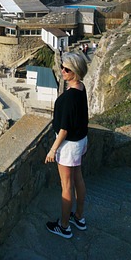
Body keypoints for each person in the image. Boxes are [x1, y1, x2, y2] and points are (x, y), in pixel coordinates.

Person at [44, 51, 89, 239]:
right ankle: (78, 217)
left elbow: (64, 129)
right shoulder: (81, 88)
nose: (62, 70)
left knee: (66, 185)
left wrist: (52, 150)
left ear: (75, 71)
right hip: (80, 141)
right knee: (78, 178)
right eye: (62, 67)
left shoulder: (70, 97)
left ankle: (64, 227)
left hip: (69, 145)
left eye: (67, 69)